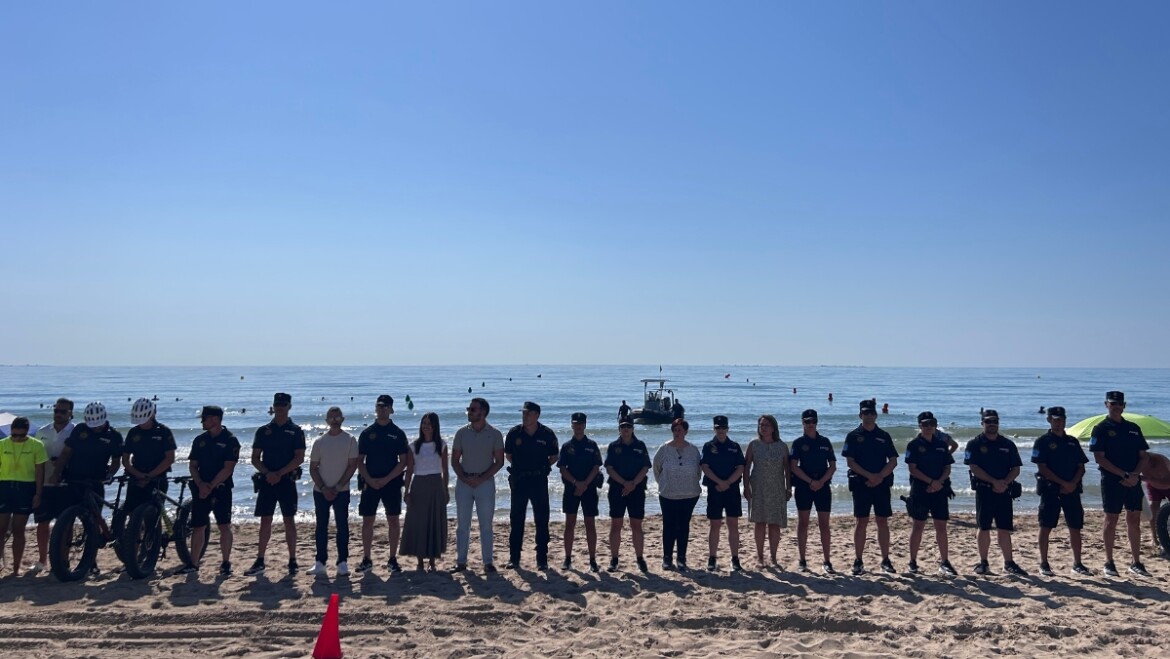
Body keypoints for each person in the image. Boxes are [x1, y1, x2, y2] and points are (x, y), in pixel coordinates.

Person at [245, 392, 306, 577]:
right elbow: (255, 458)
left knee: (289, 521)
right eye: (277, 404)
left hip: (286, 481)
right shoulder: (263, 431)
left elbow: (299, 458)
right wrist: (268, 473)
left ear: (289, 406)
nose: (280, 407)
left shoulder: (296, 431)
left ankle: (293, 560)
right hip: (267, 482)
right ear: (273, 406)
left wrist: (280, 473)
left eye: (283, 404)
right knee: (265, 521)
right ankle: (260, 559)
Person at [1090, 391, 1151, 577]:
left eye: (1120, 403)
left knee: (1134, 520)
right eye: (1113, 403)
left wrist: (1134, 474)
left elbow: (1144, 455)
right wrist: (1123, 474)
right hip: (1112, 481)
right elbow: (1099, 458)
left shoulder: (1133, 428)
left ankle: (1136, 562)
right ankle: (1109, 562)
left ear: (1124, 405)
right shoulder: (1100, 429)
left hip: (1133, 481)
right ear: (1106, 404)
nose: (1116, 406)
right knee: (1111, 521)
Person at [50, 402, 123, 545]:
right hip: (73, 479)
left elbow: (116, 461)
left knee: (93, 522)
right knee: (65, 521)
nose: (95, 428)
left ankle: (92, 562)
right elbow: (65, 454)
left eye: (98, 424)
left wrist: (110, 475)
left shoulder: (114, 436)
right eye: (92, 424)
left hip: (96, 481)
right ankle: (62, 561)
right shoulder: (80, 429)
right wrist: (56, 473)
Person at [965, 409, 1027, 576]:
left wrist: (1004, 483)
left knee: (1004, 528)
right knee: (983, 527)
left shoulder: (1008, 444)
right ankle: (983, 562)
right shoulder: (974, 444)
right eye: (988, 421)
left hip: (1004, 491)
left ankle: (1008, 562)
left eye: (994, 421)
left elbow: (1016, 468)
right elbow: (974, 467)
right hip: (984, 491)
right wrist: (994, 482)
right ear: (982, 423)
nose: (991, 424)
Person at [1030, 406, 1091, 576]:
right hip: (1051, 490)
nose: (1059, 423)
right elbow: (1042, 467)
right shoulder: (1042, 441)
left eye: (1061, 420)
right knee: (1046, 526)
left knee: (1075, 527)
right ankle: (1044, 563)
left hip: (1072, 490)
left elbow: (1081, 466)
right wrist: (1063, 483)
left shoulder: (1072, 441)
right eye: (1055, 420)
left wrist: (1072, 483)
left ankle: (1077, 563)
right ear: (1049, 420)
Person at [356, 395, 412, 574]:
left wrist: (387, 479)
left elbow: (403, 461)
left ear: (391, 410)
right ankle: (367, 558)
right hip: (370, 482)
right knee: (367, 521)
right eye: (379, 406)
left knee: (393, 520)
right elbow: (359, 461)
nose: (382, 409)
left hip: (392, 483)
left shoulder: (397, 433)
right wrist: (370, 480)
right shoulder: (366, 433)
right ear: (375, 408)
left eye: (386, 407)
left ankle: (392, 559)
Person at [842, 399, 899, 575]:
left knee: (882, 521)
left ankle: (885, 560)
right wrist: (869, 476)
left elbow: (893, 460)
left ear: (876, 414)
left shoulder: (884, 435)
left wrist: (880, 476)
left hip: (881, 484)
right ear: (860, 415)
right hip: (861, 484)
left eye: (871, 412)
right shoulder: (852, 436)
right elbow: (850, 462)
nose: (869, 415)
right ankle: (858, 561)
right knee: (861, 522)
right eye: (865, 413)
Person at [451, 397, 504, 573]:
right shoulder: (461, 433)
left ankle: (488, 562)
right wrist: (465, 478)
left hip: (485, 484)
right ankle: (461, 562)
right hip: (464, 484)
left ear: (483, 412)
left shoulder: (495, 434)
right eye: (469, 409)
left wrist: (481, 478)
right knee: (462, 525)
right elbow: (454, 460)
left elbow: (499, 462)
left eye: (473, 409)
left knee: (486, 525)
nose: (469, 412)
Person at [186, 405, 240, 576]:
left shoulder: (231, 440)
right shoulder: (199, 440)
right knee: (198, 526)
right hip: (201, 488)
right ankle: (193, 563)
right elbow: (193, 465)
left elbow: (228, 469)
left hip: (221, 489)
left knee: (224, 525)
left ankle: (225, 562)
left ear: (215, 420)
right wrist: (201, 483)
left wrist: (211, 485)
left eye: (205, 418)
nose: (202, 422)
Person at [504, 401, 559, 570]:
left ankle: (542, 559)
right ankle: (514, 558)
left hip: (538, 481)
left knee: (542, 519)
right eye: (523, 413)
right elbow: (509, 455)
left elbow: (554, 456)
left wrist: (540, 469)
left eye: (528, 413)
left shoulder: (547, 434)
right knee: (516, 518)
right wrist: (522, 469)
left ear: (537, 415)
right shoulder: (514, 433)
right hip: (520, 480)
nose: (524, 416)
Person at [903, 411, 957, 576]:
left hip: (939, 489)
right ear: (920, 426)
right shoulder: (913, 444)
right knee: (918, 525)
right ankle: (912, 561)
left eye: (931, 423)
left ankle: (945, 561)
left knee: (941, 526)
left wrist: (939, 482)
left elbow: (947, 467)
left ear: (935, 425)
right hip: (920, 490)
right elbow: (913, 469)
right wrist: (930, 482)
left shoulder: (941, 444)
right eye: (925, 424)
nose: (929, 427)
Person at [308, 407, 359, 578]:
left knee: (342, 527)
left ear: (342, 419)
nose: (335, 420)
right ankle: (320, 563)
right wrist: (324, 488)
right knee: (321, 527)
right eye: (331, 417)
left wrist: (337, 487)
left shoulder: (350, 440)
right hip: (321, 491)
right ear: (326, 420)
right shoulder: (319, 442)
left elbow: (353, 465)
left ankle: (342, 563)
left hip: (341, 491)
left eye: (337, 417)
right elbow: (313, 468)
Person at [118, 398, 177, 540]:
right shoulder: (133, 432)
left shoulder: (164, 431)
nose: (142, 423)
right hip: (136, 476)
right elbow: (125, 459)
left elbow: (169, 458)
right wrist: (137, 474)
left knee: (154, 516)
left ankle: (153, 545)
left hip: (158, 477)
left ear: (152, 415)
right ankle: (134, 549)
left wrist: (150, 475)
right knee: (133, 515)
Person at [400, 412, 449, 572]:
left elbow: (445, 470)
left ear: (435, 426)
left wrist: (445, 489)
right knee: (419, 522)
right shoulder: (414, 446)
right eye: (424, 423)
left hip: (435, 484)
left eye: (429, 423)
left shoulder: (441, 445)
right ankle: (420, 560)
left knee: (434, 520)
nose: (426, 426)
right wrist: (406, 491)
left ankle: (433, 560)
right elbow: (409, 471)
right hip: (419, 485)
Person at [31, 398, 74, 574]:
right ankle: (42, 561)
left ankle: (63, 559)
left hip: (67, 485)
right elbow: (35, 459)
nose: (58, 414)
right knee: (42, 523)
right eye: (56, 410)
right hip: (46, 484)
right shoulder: (42, 431)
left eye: (63, 411)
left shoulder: (76, 431)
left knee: (66, 524)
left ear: (71, 413)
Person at [790, 409, 837, 573]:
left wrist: (821, 482)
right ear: (802, 423)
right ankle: (802, 560)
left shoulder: (825, 441)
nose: (810, 425)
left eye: (813, 422)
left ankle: (827, 560)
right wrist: (810, 481)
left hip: (823, 486)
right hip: (804, 486)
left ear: (817, 423)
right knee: (803, 523)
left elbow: (832, 466)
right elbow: (793, 467)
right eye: (807, 422)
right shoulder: (797, 443)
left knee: (824, 524)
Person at [0, 417, 48, 575]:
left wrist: (38, 493)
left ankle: (16, 568)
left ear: (27, 432)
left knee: (18, 530)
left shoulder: (36, 445)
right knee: (1, 529)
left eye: (21, 436)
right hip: (5, 487)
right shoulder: (2, 444)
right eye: (14, 435)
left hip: (25, 488)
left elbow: (40, 471)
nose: (17, 439)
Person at [653, 418, 702, 571]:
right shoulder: (664, 449)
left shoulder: (693, 450)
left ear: (686, 431)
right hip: (668, 494)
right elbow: (656, 469)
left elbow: (698, 472)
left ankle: (681, 558)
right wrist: (664, 483)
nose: (677, 432)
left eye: (680, 429)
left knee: (683, 526)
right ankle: (667, 558)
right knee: (669, 525)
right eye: (675, 429)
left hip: (690, 494)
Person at [604, 416, 652, 573]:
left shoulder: (640, 445)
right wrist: (625, 483)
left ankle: (640, 559)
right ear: (619, 429)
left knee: (636, 525)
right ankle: (614, 559)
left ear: (633, 429)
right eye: (623, 426)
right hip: (617, 489)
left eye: (628, 427)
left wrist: (632, 484)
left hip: (637, 489)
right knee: (616, 525)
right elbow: (609, 468)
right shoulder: (613, 446)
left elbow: (645, 468)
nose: (626, 429)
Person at [743, 414, 789, 567]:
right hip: (758, 488)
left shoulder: (782, 446)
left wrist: (789, 488)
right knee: (760, 522)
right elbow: (746, 467)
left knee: (774, 524)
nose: (763, 428)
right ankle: (760, 557)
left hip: (776, 488)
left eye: (766, 425)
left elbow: (787, 469)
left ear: (773, 428)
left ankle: (774, 557)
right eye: (761, 425)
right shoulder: (754, 444)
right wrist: (745, 486)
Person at [557, 412, 602, 571]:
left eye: (581, 423)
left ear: (585, 425)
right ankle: (568, 559)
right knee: (570, 524)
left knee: (590, 525)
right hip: (571, 489)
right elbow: (562, 469)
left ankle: (592, 560)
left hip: (589, 490)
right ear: (571, 425)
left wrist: (584, 485)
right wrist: (576, 483)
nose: (578, 426)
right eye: (575, 423)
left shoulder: (592, 445)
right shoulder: (567, 446)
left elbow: (596, 467)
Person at [700, 415, 745, 572]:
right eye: (718, 427)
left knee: (733, 524)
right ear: (714, 428)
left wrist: (728, 482)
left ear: (727, 428)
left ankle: (735, 558)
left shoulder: (734, 446)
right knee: (715, 525)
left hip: (732, 490)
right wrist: (719, 482)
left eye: (723, 427)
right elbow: (705, 467)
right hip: (715, 489)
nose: (721, 430)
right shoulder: (708, 446)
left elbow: (740, 468)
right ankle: (712, 558)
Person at [1141, 452, 1170, 557]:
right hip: (1153, 486)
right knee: (1153, 510)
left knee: (1166, 513)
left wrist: (1149, 479)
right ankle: (1154, 537)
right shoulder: (1139, 461)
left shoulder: (1160, 460)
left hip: (1168, 484)